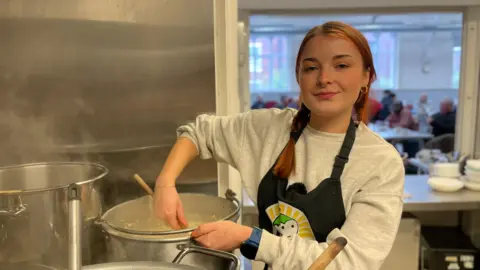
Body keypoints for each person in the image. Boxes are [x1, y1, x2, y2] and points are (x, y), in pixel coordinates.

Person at [154, 21, 404, 270]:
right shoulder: (268, 129)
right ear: (299, 77)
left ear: (366, 76)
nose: (324, 78)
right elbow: (200, 132)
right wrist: (165, 182)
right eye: (311, 68)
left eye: (341, 65)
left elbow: (349, 262)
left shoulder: (380, 162)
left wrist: (249, 238)